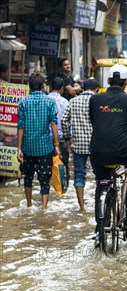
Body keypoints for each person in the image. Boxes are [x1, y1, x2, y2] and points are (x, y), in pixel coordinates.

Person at [89, 64, 127, 239]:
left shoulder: (95, 100)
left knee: (101, 182)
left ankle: (99, 226)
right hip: (122, 150)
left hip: (97, 151)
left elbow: (96, 124)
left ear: (108, 81)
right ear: (126, 82)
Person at [16, 72, 61, 209]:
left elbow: (20, 127)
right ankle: (44, 207)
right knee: (44, 179)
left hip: (28, 147)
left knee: (28, 177)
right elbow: (54, 124)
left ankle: (29, 204)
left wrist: (19, 148)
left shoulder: (23, 102)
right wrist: (57, 145)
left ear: (30, 86)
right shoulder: (50, 102)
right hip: (45, 148)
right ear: (43, 86)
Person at [61, 78, 100, 212]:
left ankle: (82, 207)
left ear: (83, 88)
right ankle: (100, 205)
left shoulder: (73, 101)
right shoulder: (98, 101)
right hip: (97, 144)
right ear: (96, 90)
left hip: (78, 144)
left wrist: (68, 139)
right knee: (99, 175)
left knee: (79, 175)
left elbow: (64, 120)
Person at [48, 77, 70, 185]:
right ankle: (63, 190)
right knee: (63, 167)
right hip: (61, 139)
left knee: (47, 168)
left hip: (46, 139)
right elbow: (66, 121)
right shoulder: (64, 102)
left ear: (50, 87)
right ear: (62, 88)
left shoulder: (45, 99)